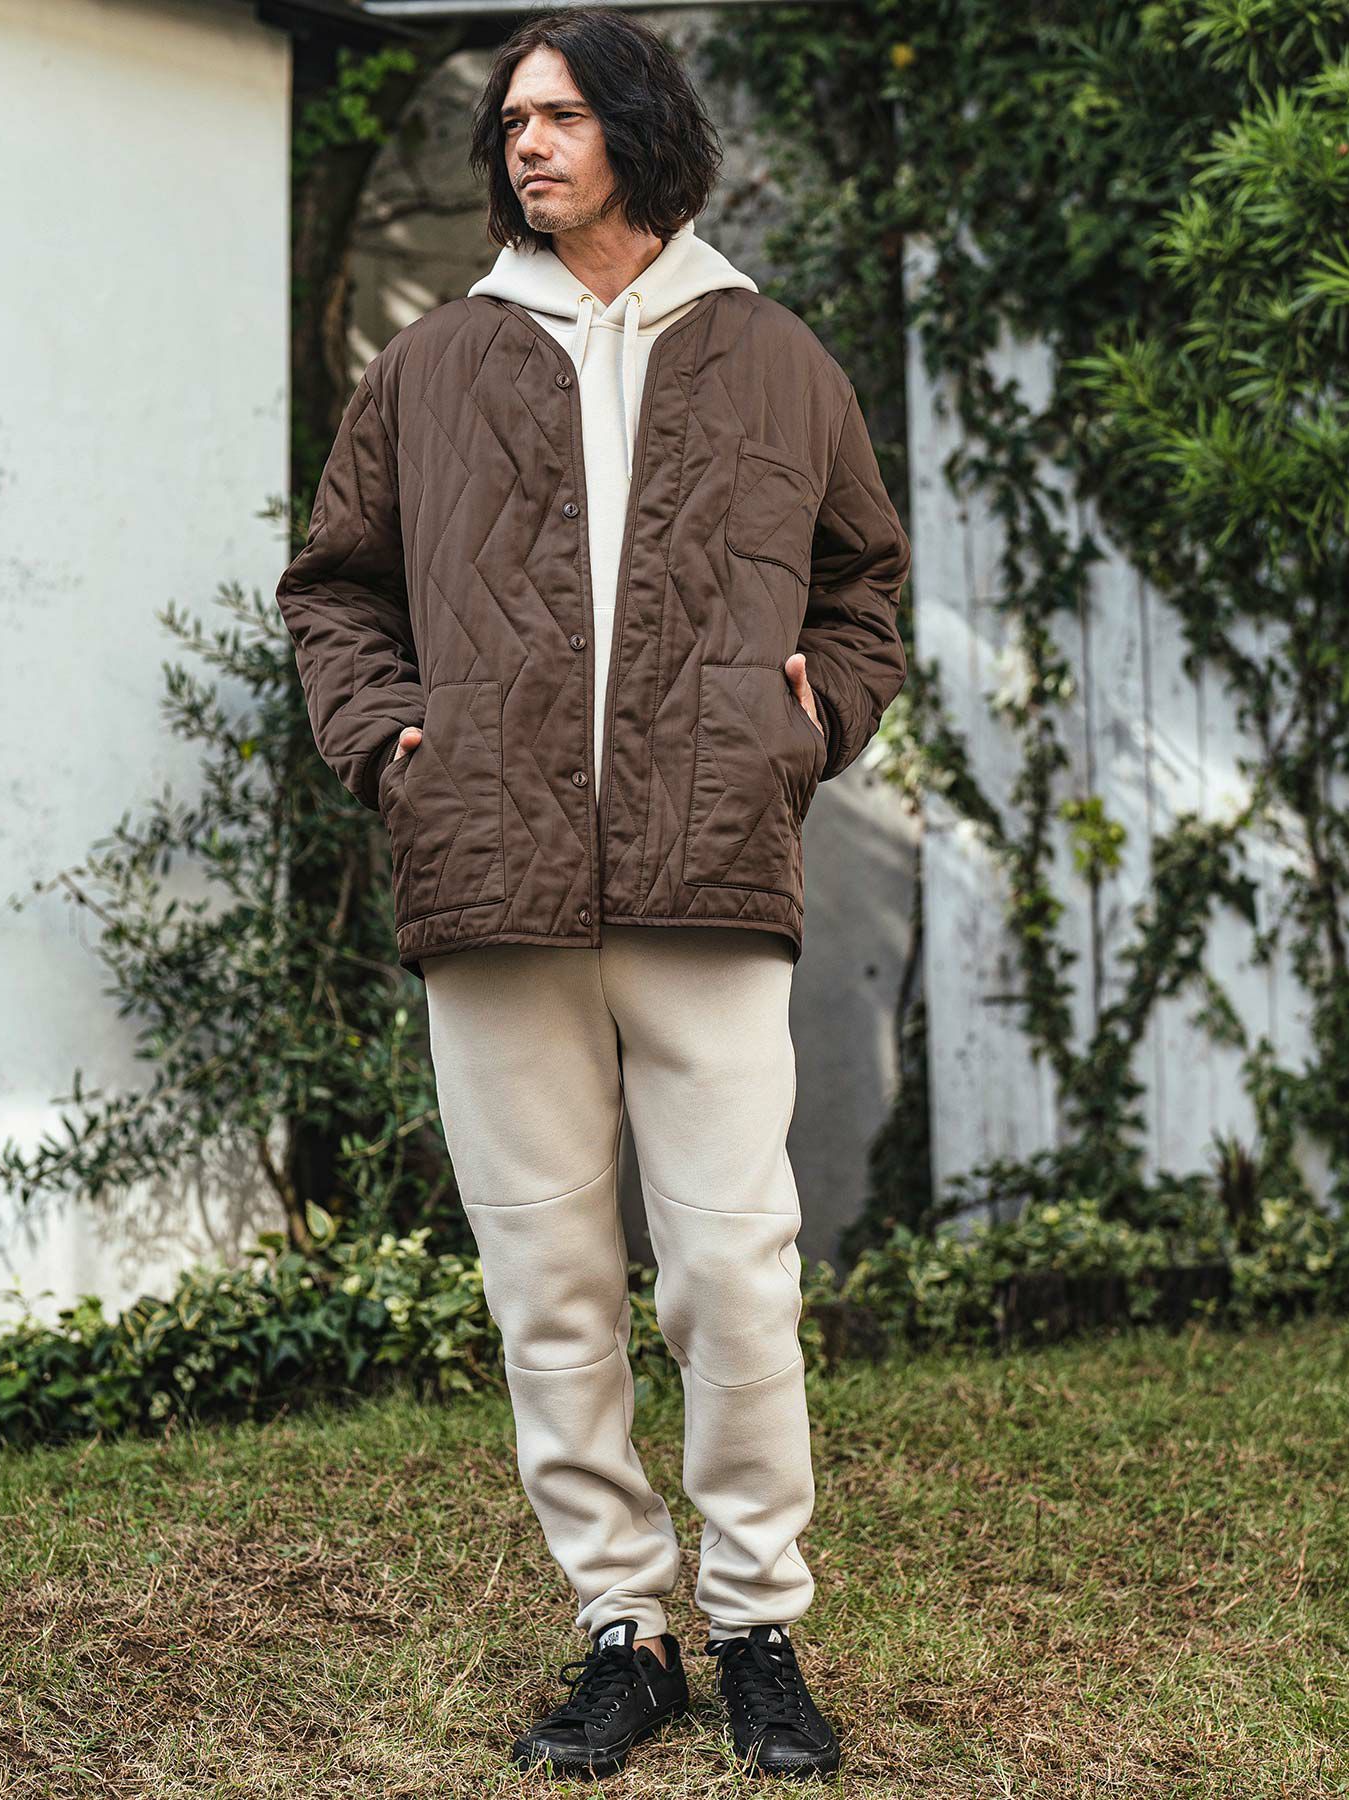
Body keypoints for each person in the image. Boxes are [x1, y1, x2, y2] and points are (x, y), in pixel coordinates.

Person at [275, 5, 910, 1780]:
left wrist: (814, 722)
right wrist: (391, 742)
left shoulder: (776, 358)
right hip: (492, 870)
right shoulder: (435, 362)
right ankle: (623, 1627)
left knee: (734, 1271)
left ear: (641, 129)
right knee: (548, 1278)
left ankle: (758, 1619)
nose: (528, 145)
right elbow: (335, 589)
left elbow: (863, 587)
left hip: (711, 868)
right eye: (512, 123)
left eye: (559, 116)